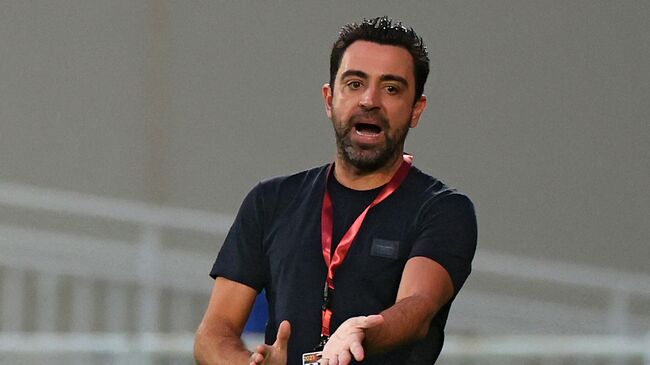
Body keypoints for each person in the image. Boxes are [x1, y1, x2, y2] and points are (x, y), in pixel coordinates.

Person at [194, 16, 477, 365]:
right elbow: (212, 334)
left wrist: (362, 332)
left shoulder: (442, 209)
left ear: (416, 109)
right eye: (355, 83)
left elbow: (417, 310)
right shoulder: (271, 201)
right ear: (330, 99)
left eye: (391, 88)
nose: (370, 100)